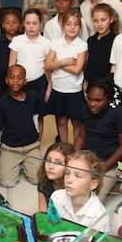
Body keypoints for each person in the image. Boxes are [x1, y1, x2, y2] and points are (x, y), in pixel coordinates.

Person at [74, 76, 122, 200]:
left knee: (94, 198)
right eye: (89, 99)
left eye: (98, 100)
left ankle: (114, 183)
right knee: (70, 188)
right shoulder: (86, 110)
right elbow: (81, 137)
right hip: (88, 158)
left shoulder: (119, 114)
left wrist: (104, 167)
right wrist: (72, 157)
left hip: (109, 162)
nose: (92, 104)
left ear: (109, 99)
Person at [0, 64, 44, 188]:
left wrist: (38, 139)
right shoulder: (2, 103)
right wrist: (3, 145)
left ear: (25, 81)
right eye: (12, 77)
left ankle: (25, 163)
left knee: (39, 180)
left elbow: (37, 118)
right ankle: (15, 163)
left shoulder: (33, 97)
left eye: (20, 78)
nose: (15, 81)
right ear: (6, 80)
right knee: (8, 182)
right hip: (11, 147)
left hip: (31, 145)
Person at [45, 9, 88, 143]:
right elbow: (47, 65)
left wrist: (57, 63)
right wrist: (65, 61)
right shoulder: (55, 43)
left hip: (74, 90)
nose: (72, 27)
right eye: (68, 24)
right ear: (63, 26)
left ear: (80, 27)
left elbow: (77, 69)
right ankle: (64, 147)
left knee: (76, 122)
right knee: (61, 121)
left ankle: (75, 149)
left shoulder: (82, 45)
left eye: (76, 24)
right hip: (59, 90)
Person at [8, 8, 51, 120]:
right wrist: (13, 83)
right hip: (20, 83)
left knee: (39, 117)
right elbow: (11, 65)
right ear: (23, 23)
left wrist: (49, 88)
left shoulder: (46, 43)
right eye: (28, 23)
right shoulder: (17, 40)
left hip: (39, 83)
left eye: (35, 23)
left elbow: (49, 68)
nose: (31, 26)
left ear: (40, 24)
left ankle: (37, 138)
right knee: (21, 115)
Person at [50, 150, 107, 231]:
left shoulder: (98, 217)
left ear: (93, 184)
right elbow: (51, 228)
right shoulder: (56, 197)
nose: (69, 180)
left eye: (78, 176)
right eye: (67, 173)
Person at [85, 3, 121, 85]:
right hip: (90, 83)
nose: (99, 24)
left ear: (111, 19)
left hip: (106, 85)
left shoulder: (116, 40)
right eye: (96, 21)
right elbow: (87, 63)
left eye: (103, 20)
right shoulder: (91, 40)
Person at [0, 8, 20, 100]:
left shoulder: (23, 40)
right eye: (7, 23)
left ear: (20, 23)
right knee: (1, 109)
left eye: (14, 22)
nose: (11, 25)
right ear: (2, 25)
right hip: (0, 81)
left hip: (18, 81)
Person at [37, 142, 75, 212]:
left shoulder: (74, 187)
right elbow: (42, 213)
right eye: (48, 160)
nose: (50, 166)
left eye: (58, 163)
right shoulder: (43, 182)